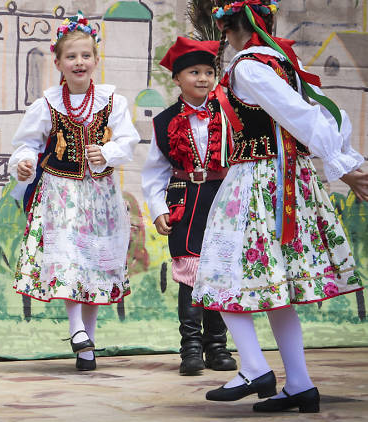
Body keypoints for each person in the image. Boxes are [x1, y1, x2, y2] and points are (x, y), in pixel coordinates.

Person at [194, 0, 368, 413]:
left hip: (259, 182)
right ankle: (300, 385)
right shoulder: (284, 62)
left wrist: (344, 167)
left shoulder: (249, 67)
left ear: (227, 30)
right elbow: (331, 114)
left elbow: (301, 117)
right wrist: (349, 159)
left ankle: (255, 367)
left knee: (219, 271)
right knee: (278, 283)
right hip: (288, 181)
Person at [9, 12, 140, 371]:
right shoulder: (48, 103)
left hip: (100, 193)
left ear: (96, 60)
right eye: (71, 57)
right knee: (68, 254)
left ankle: (86, 347)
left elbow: (129, 138)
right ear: (58, 63)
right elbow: (25, 143)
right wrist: (23, 163)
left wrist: (108, 152)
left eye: (85, 56)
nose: (79, 62)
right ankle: (75, 328)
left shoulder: (113, 100)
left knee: (95, 262)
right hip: (61, 191)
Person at [141, 36, 237, 375]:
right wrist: (157, 209)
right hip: (187, 200)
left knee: (220, 270)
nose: (202, 79)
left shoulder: (228, 114)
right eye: (193, 72)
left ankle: (218, 345)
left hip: (222, 197)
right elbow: (154, 172)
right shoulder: (165, 121)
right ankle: (191, 348)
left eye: (208, 72)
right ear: (177, 79)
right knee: (190, 272)